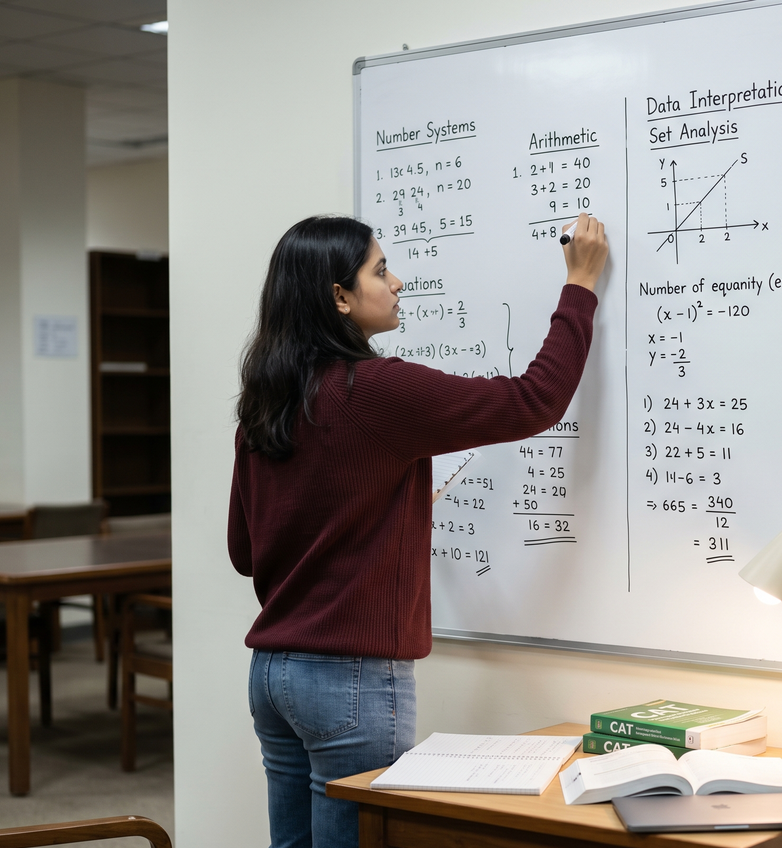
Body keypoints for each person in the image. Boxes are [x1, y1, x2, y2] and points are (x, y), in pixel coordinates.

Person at [228, 213, 608, 848]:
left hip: (272, 674)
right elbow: (532, 401)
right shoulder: (375, 391)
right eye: (380, 270)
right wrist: (581, 284)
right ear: (339, 297)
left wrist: (377, 501)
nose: (398, 282)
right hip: (349, 679)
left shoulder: (265, 405)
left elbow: (248, 552)